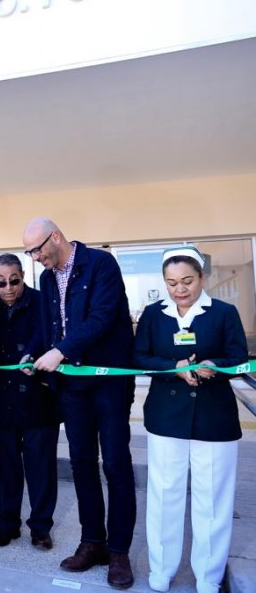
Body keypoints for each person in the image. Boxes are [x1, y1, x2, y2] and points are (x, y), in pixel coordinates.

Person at [24, 217, 137, 589]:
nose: (35, 258)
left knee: (116, 464)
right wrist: (35, 355)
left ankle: (119, 551)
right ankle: (93, 543)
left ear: (56, 237)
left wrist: (60, 350)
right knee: (82, 463)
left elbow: (103, 317)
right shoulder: (45, 278)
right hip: (72, 387)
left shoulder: (101, 264)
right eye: (30, 252)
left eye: (37, 249)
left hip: (108, 383)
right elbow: (48, 324)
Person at [133, 246, 247, 593]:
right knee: (165, 494)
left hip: (214, 418)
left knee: (212, 498)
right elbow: (140, 357)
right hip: (167, 417)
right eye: (171, 283)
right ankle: (162, 569)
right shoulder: (154, 314)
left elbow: (238, 357)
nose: (179, 290)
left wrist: (214, 366)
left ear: (202, 277)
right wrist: (174, 369)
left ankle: (209, 575)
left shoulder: (224, 312)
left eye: (187, 281)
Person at [0, 254, 60, 549]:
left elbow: (53, 337)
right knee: (6, 467)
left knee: (41, 469)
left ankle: (40, 528)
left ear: (23, 275)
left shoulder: (43, 301)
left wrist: (34, 354)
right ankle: (7, 525)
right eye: (0, 282)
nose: (8, 288)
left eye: (14, 280)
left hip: (39, 400)